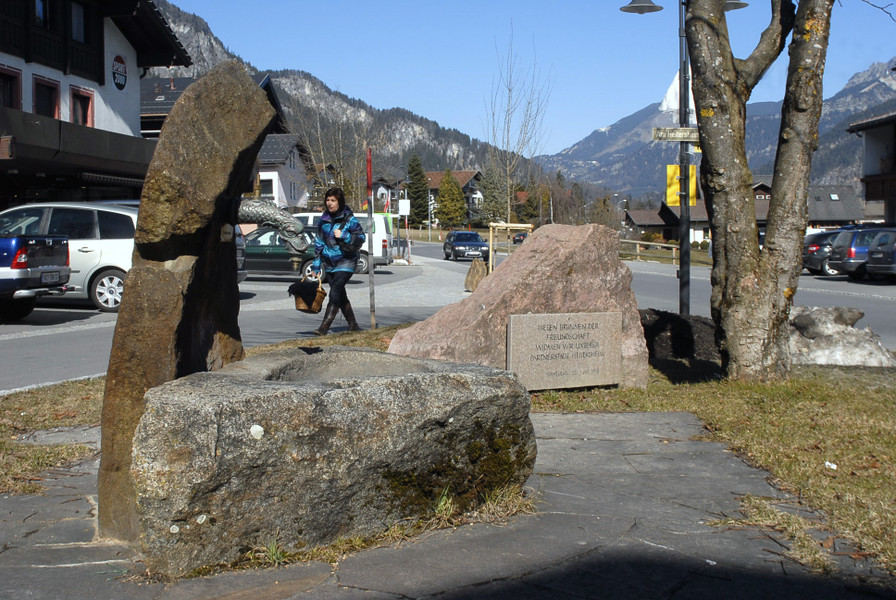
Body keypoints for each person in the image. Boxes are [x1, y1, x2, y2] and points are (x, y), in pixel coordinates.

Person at [311, 187, 365, 335]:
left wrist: (345, 235)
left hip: (346, 260)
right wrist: (316, 266)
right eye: (328, 200)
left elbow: (361, 237)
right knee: (340, 295)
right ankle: (353, 325)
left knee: (335, 291)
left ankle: (324, 327)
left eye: (333, 200)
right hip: (329, 263)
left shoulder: (350, 219)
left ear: (339, 202)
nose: (329, 203)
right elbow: (319, 243)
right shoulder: (323, 220)